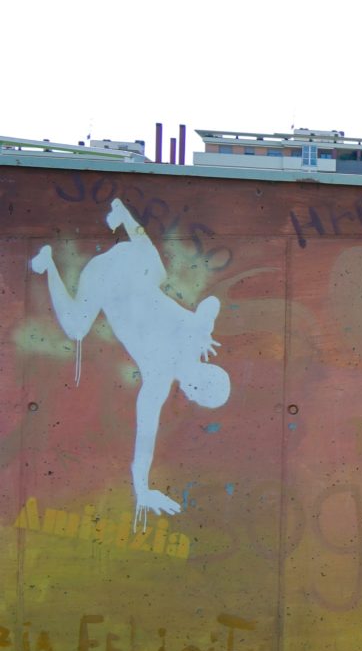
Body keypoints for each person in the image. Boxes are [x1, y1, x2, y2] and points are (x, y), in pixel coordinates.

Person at [31, 198, 231, 527]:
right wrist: (143, 491)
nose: (191, 397)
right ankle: (48, 263)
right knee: (77, 328)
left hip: (134, 260)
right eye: (198, 396)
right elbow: (145, 439)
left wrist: (204, 325)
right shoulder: (159, 378)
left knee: (158, 274)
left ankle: (125, 216)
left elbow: (211, 303)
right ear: (197, 388)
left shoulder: (192, 341)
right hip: (106, 279)